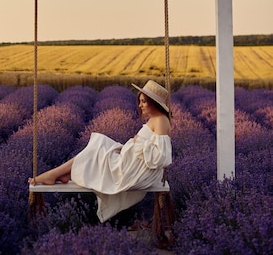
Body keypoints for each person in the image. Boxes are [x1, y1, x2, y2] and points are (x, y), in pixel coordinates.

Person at [28, 79, 172, 222]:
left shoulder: (160, 120)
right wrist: (133, 145)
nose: (140, 105)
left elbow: (161, 157)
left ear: (154, 103)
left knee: (96, 150)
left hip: (136, 171)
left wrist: (139, 143)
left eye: (144, 102)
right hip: (134, 166)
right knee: (99, 146)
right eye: (140, 101)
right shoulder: (156, 118)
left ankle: (55, 174)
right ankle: (64, 174)